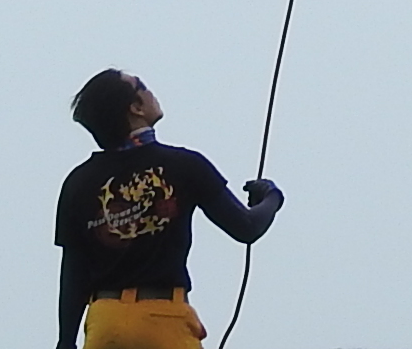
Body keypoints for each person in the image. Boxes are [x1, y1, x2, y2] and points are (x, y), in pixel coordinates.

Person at [54, 68, 281, 349]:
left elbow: (74, 270)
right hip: (162, 318)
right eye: (142, 86)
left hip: (105, 322)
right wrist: (272, 197)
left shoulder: (78, 183)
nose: (150, 91)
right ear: (136, 107)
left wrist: (66, 341)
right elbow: (246, 228)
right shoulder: (184, 165)